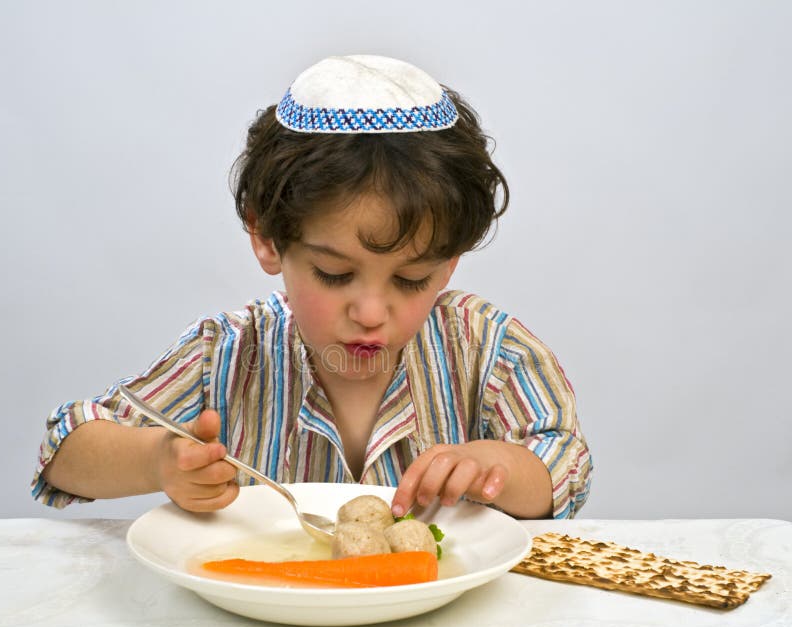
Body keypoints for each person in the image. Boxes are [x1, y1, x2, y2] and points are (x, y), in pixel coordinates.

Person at [33, 55, 592, 519]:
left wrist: (496, 466)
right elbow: (64, 451)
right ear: (266, 237)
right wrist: (157, 461)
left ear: (449, 265)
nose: (371, 312)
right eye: (334, 274)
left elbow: (565, 466)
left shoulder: (488, 350)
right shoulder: (225, 355)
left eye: (411, 278)